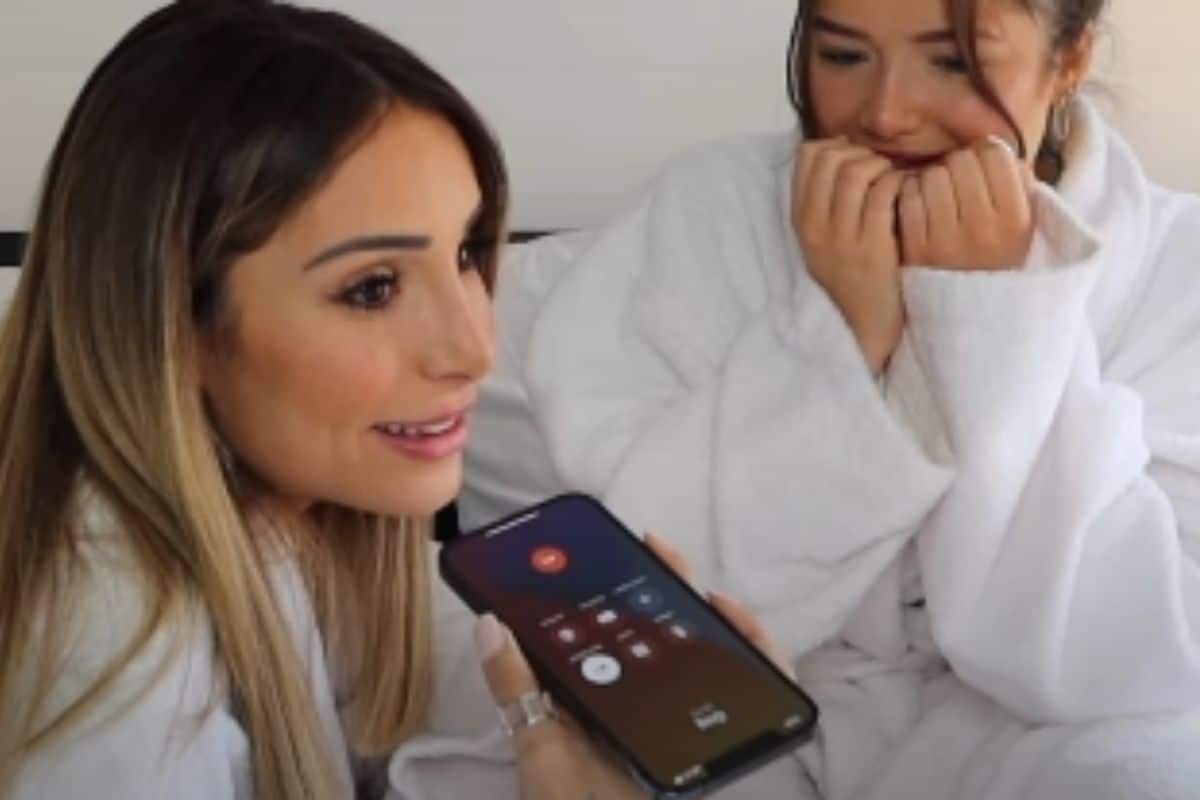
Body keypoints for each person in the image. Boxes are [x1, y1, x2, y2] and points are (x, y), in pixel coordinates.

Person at [406, 0, 1200, 797]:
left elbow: (1130, 658)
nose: (885, 113)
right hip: (756, 708)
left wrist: (1002, 315)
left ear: (1069, 61)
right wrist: (839, 332)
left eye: (952, 61)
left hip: (1046, 739)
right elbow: (650, 593)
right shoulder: (711, 211)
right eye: (844, 56)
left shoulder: (1178, 267)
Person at [0, 3, 788, 798]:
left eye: (468, 253)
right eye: (373, 288)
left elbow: (416, 668)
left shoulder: (285, 526)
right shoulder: (115, 663)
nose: (474, 351)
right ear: (174, 323)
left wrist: (574, 683)